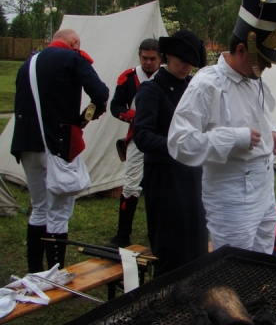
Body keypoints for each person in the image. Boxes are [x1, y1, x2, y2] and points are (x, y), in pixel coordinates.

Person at [168, 0, 276, 255]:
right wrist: (233, 138)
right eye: (263, 61)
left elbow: (261, 114)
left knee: (262, 260)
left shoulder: (252, 77)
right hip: (232, 195)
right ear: (242, 49)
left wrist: (273, 131)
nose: (266, 67)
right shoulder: (206, 84)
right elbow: (179, 142)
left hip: (264, 187)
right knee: (236, 265)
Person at [11, 28, 109, 272]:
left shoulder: (27, 64)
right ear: (74, 42)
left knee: (39, 208)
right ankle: (54, 273)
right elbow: (100, 93)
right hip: (58, 142)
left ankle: (35, 272)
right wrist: (84, 118)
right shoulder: (73, 58)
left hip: (26, 143)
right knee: (58, 212)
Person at [133, 29, 208, 277]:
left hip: (192, 173)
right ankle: (168, 290)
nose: (187, 67)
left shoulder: (193, 86)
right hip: (164, 177)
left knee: (196, 237)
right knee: (171, 242)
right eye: (182, 61)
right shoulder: (152, 90)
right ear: (168, 57)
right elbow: (142, 136)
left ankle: (194, 286)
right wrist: (179, 145)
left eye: (191, 63)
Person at [109, 38, 161, 246]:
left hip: (162, 138)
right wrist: (136, 117)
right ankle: (123, 234)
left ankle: (157, 231)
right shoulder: (129, 79)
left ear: (160, 58)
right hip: (138, 136)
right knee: (131, 184)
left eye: (152, 58)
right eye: (144, 58)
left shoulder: (166, 77)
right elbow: (115, 106)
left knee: (159, 186)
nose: (148, 62)